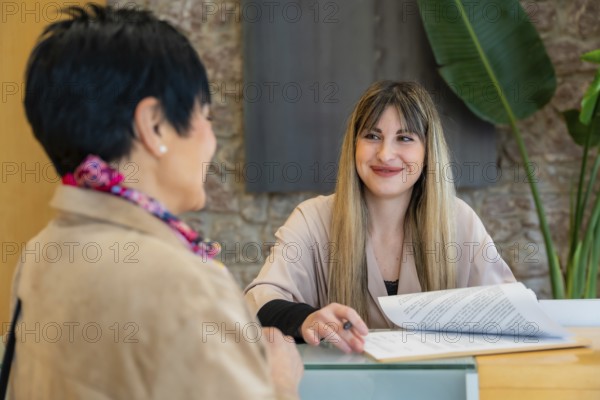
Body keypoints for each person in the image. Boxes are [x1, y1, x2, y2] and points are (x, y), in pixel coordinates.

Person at [4, 4, 302, 399]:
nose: (212, 142)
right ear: (155, 124)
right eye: (206, 117)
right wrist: (279, 380)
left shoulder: (39, 252)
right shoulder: (183, 283)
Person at [244, 81, 516, 354]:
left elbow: (509, 310)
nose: (385, 154)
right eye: (372, 136)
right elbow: (258, 303)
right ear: (354, 145)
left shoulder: (459, 221)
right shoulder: (312, 219)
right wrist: (307, 319)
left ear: (427, 152)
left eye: (405, 138)